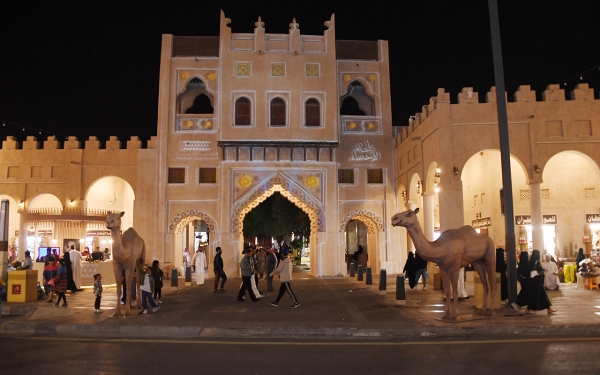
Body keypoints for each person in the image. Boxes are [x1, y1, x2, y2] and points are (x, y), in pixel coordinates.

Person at [525, 249, 556, 314]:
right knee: (535, 295)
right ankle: (528, 309)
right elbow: (537, 271)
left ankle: (548, 309)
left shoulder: (531, 261)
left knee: (543, 295)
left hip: (536, 281)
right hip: (536, 281)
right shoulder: (536, 262)